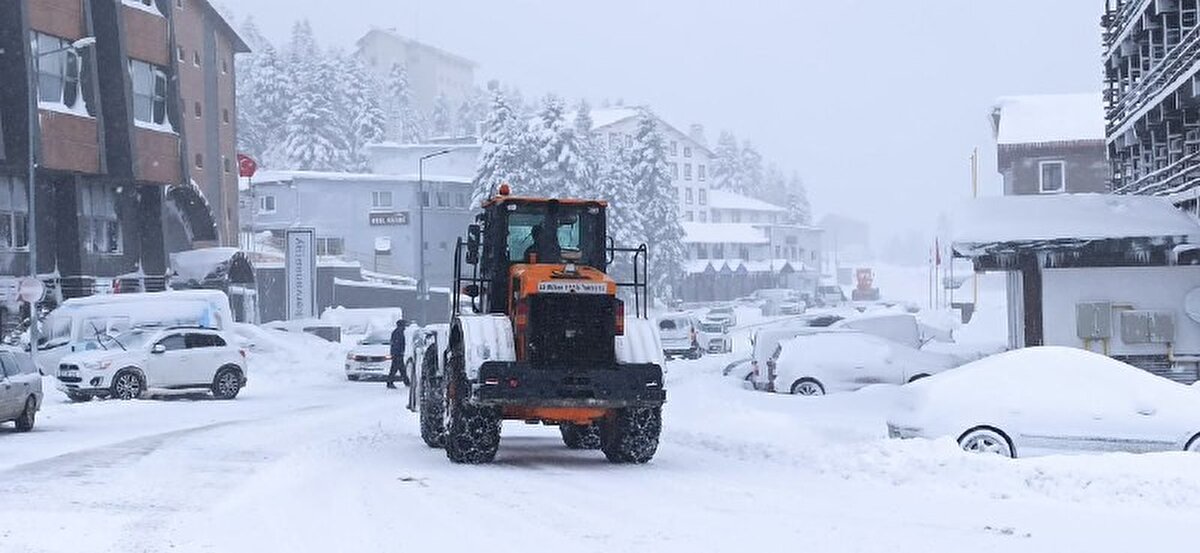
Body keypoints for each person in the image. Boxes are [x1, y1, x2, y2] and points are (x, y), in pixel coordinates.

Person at [386, 319, 409, 389]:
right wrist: (398, 353)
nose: (405, 326)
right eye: (404, 325)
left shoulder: (398, 331)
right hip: (397, 354)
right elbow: (396, 343)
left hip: (397, 353)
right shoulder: (398, 332)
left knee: (401, 369)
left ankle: (407, 382)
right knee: (394, 369)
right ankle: (390, 383)